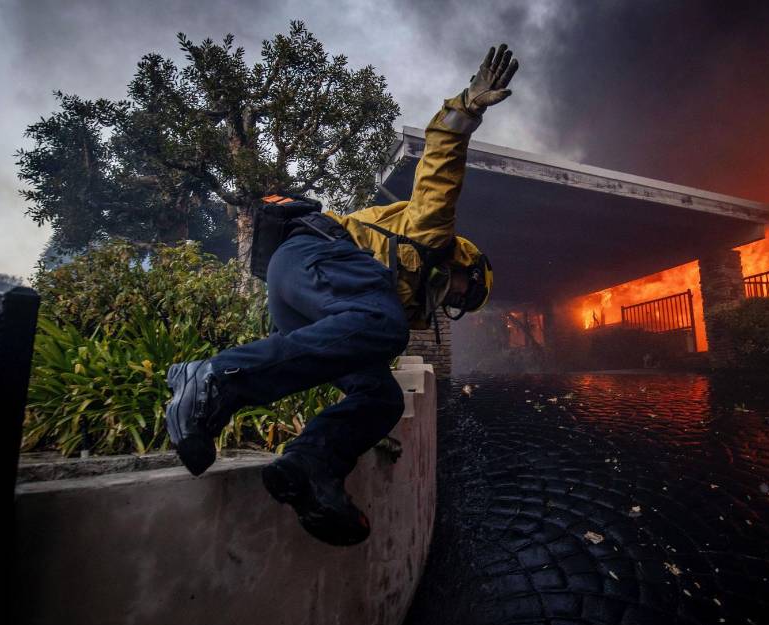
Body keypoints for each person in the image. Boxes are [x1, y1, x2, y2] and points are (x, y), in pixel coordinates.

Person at [163, 44, 518, 546]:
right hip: (312, 254)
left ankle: (310, 465)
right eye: (464, 292)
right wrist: (467, 106)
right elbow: (442, 162)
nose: (453, 301)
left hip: (303, 297)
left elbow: (354, 336)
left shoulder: (402, 295)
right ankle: (212, 379)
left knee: (381, 396)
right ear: (466, 267)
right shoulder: (432, 237)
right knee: (386, 325)